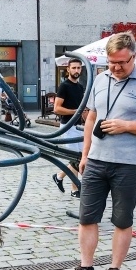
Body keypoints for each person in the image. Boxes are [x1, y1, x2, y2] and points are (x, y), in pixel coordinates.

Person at [61, 32, 136, 270]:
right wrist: (85, 154)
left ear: (134, 56)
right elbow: (90, 118)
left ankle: (115, 269)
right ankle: (86, 268)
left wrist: (126, 125)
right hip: (97, 160)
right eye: (111, 62)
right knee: (87, 217)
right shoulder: (99, 79)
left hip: (127, 163)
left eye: (122, 62)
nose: (117, 68)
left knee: (122, 219)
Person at [52, 58, 87, 198]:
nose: (76, 70)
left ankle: (59, 177)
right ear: (68, 69)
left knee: (79, 158)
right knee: (75, 158)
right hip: (67, 126)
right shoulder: (64, 86)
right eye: (74, 68)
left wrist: (85, 120)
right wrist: (76, 111)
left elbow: (82, 109)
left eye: (79, 68)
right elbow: (57, 108)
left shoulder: (80, 87)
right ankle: (75, 189)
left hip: (79, 127)